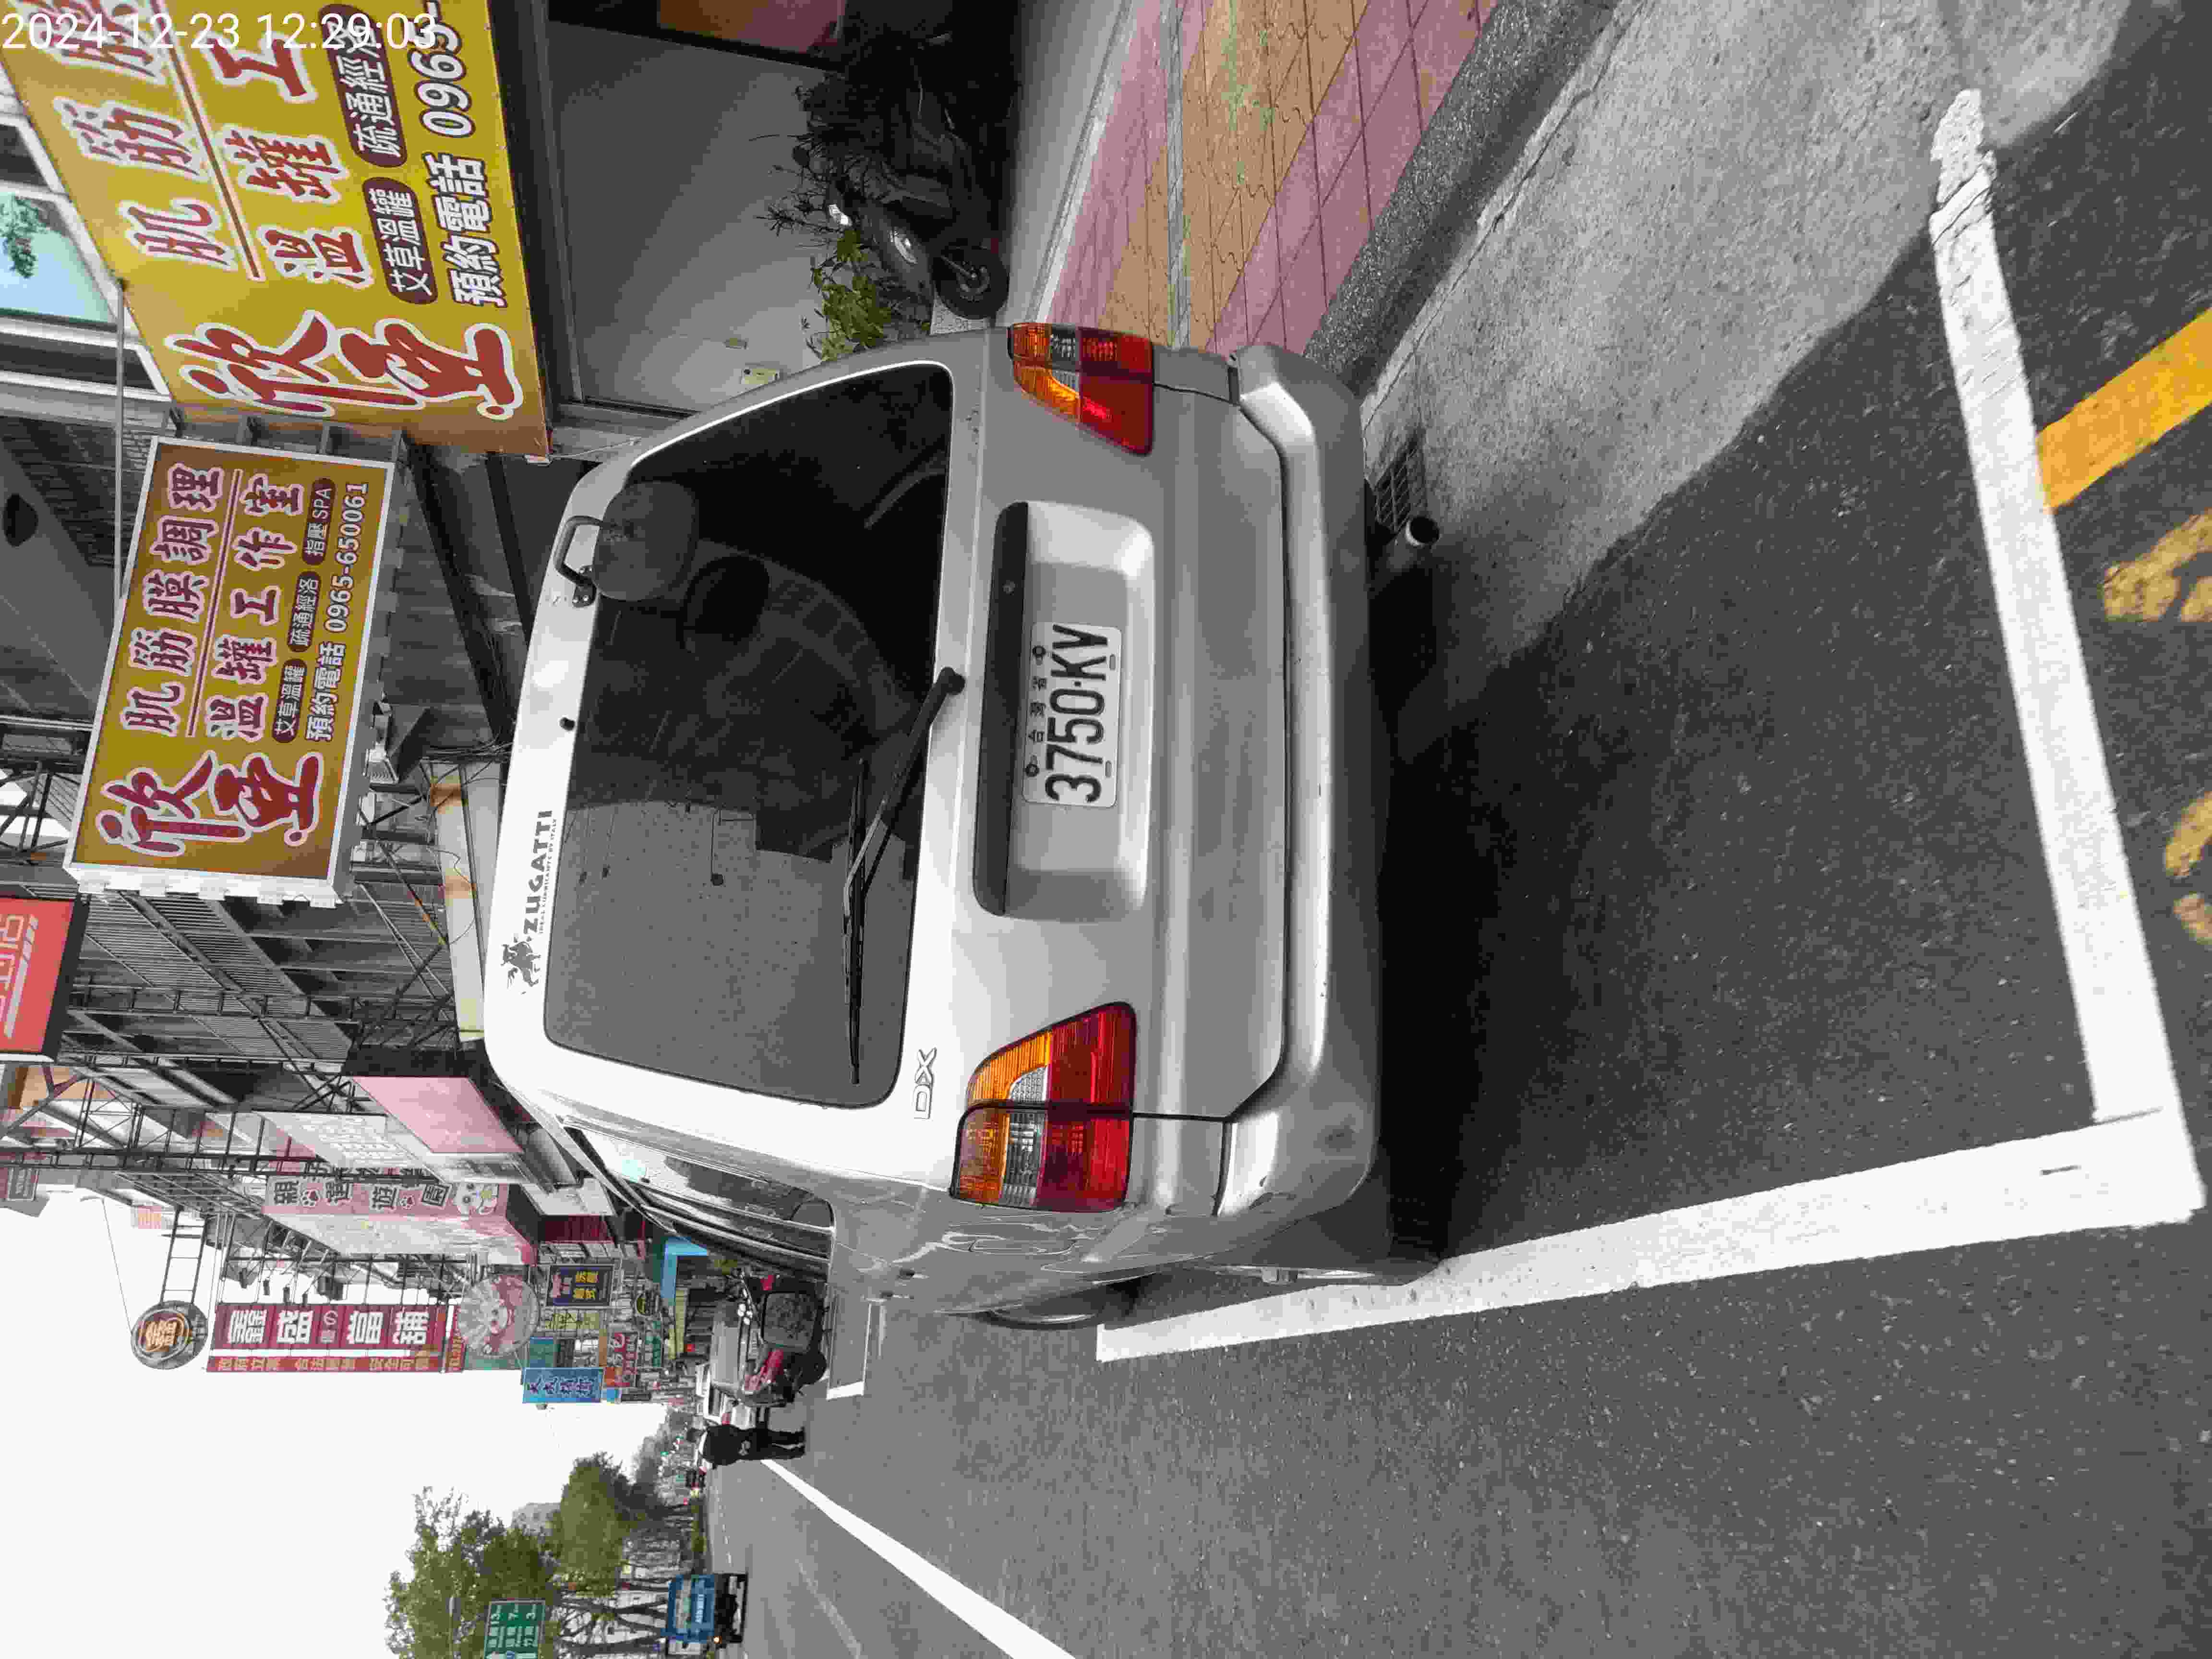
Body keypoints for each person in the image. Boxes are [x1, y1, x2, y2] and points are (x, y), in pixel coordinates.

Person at [700, 1416, 806, 1465]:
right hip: (748, 1437)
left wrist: (738, 1454)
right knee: (773, 1437)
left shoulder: (708, 1456)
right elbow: (729, 1429)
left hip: (746, 1453)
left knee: (772, 1452)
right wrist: (741, 1438)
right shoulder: (711, 1432)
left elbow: (725, 1462)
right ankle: (798, 1438)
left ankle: (797, 1452)